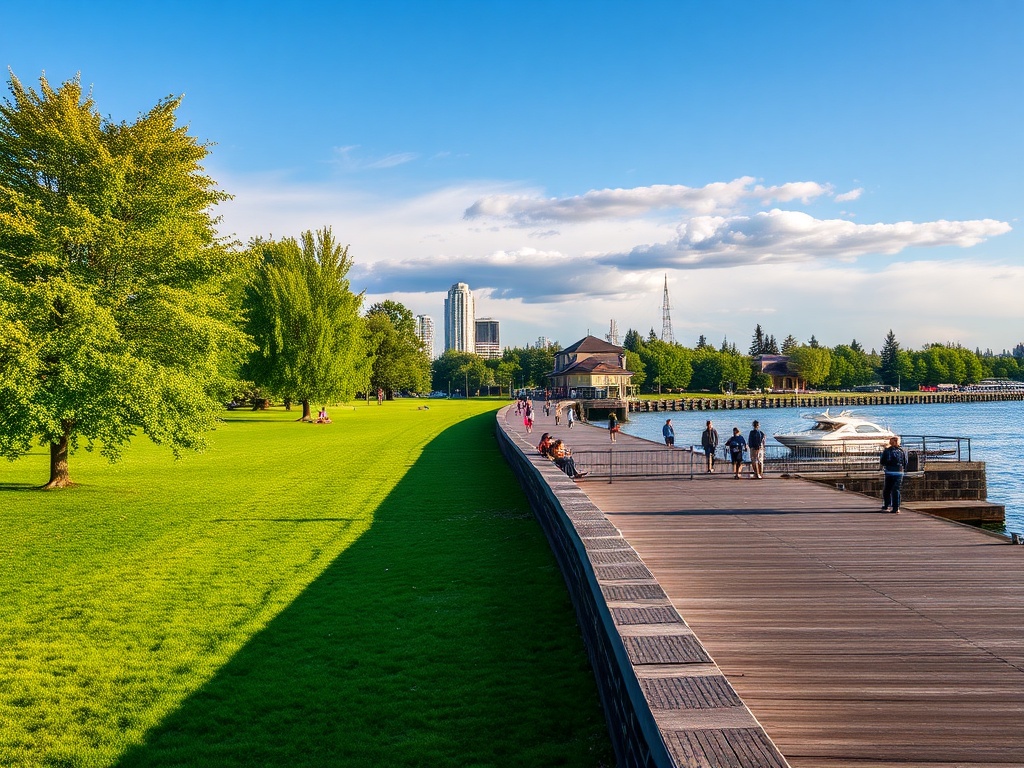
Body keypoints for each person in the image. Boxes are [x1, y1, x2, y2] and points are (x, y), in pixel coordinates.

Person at [879, 436, 908, 513]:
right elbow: (905, 462)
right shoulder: (902, 451)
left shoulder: (887, 451)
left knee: (887, 489)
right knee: (896, 489)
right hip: (899, 472)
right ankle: (896, 507)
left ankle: (886, 505)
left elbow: (883, 461)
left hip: (889, 472)